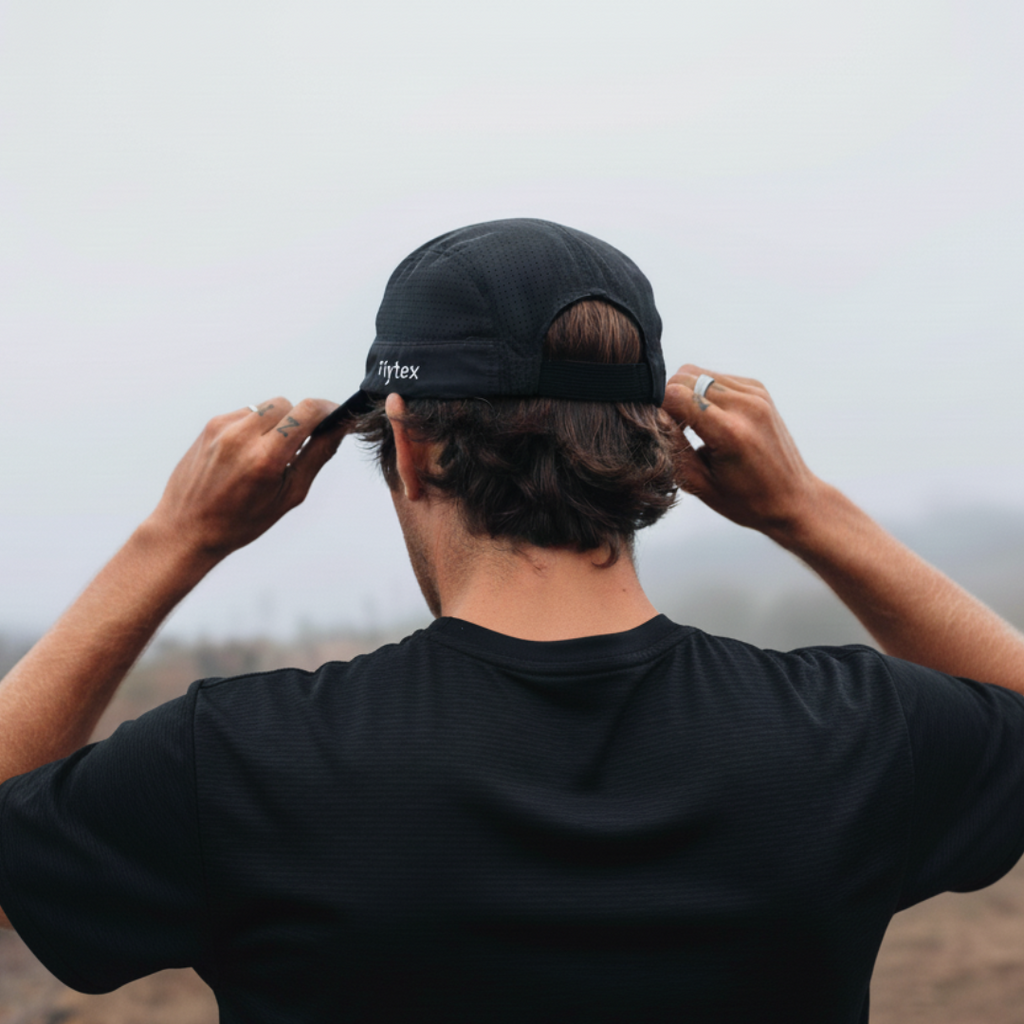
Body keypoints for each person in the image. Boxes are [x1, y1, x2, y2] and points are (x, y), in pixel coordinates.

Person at [1, 218, 1023, 1023]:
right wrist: (808, 511)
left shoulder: (232, 760)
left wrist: (173, 540)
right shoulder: (855, 730)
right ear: (658, 449)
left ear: (405, 447)